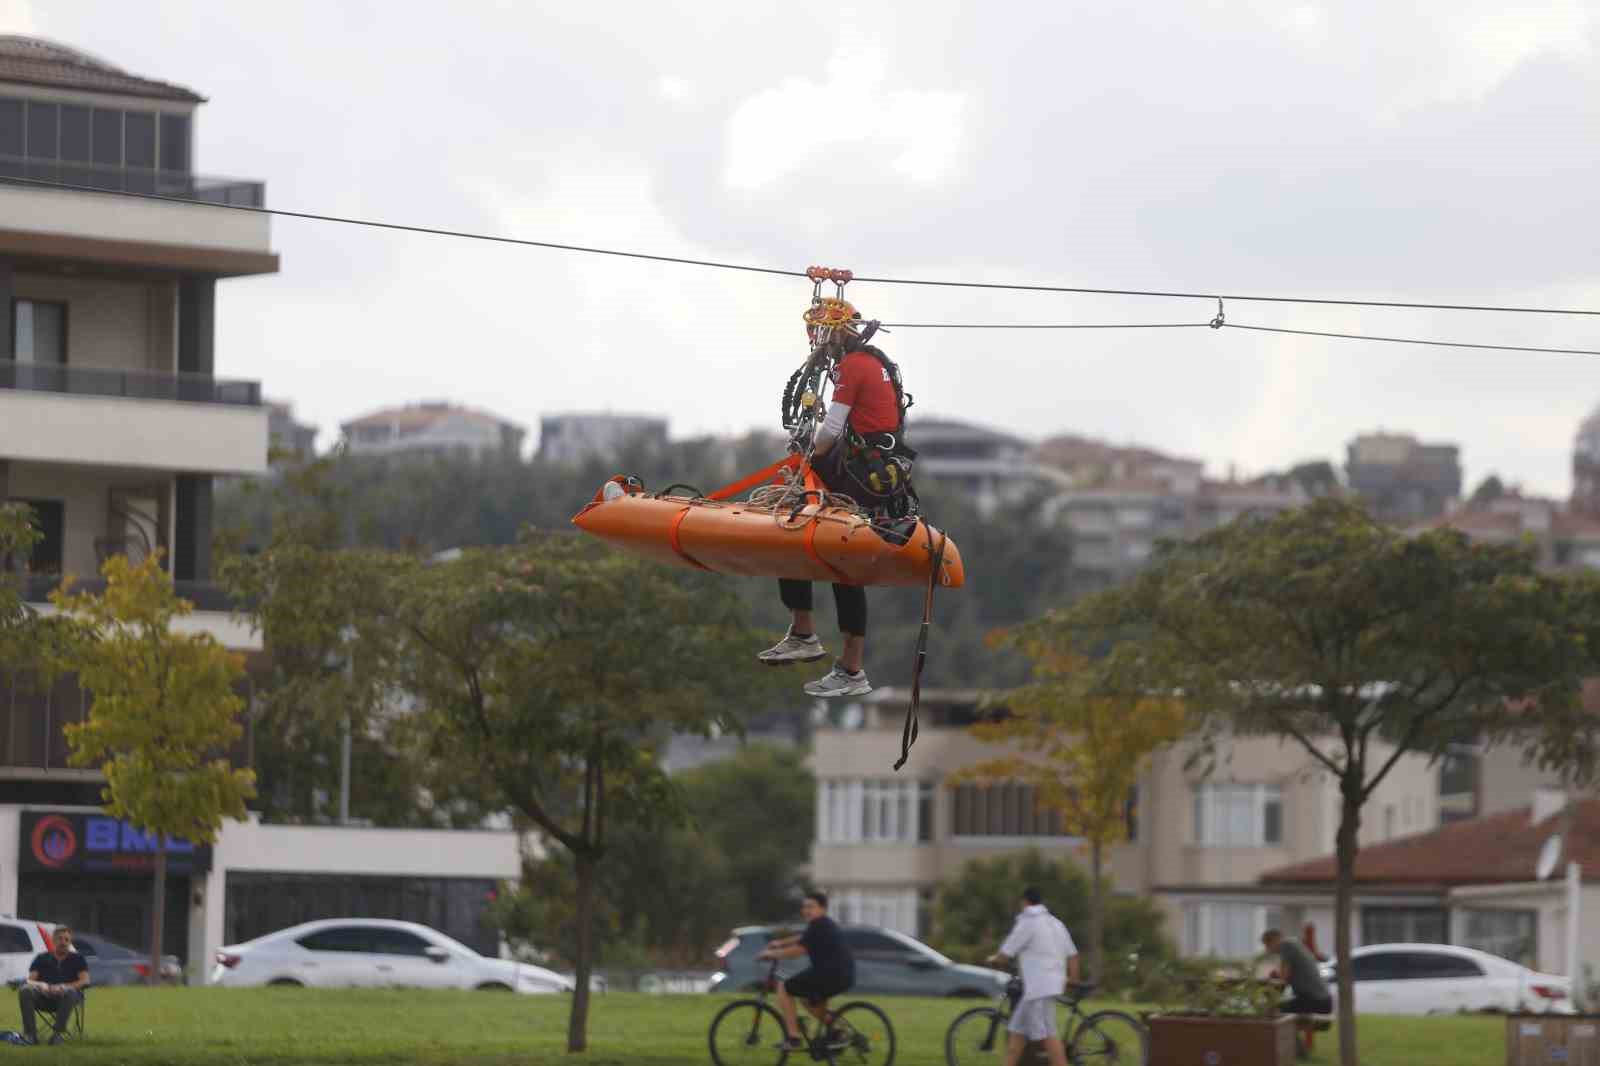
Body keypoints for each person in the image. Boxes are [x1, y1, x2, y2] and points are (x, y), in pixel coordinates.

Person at [758, 313, 912, 699]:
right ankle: (829, 652)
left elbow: (831, 429)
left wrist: (807, 455)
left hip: (861, 471)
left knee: (790, 520)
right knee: (841, 564)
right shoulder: (875, 361)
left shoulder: (851, 366)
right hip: (879, 469)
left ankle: (807, 634)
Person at [986, 887, 1080, 1066]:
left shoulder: (1028, 921)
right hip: (1042, 988)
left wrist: (993, 960)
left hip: (1039, 989)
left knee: (1047, 1035)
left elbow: (1005, 953)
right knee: (1016, 1033)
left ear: (1024, 902)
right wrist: (1073, 980)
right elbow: (1073, 955)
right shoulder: (1055, 923)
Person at [756, 890, 855, 1052]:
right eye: (804, 907)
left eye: (811, 907)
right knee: (807, 1000)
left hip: (831, 974)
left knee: (785, 986)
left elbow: (798, 950)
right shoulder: (821, 924)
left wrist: (772, 954)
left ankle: (794, 1038)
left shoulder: (819, 925)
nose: (806, 910)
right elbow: (802, 938)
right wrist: (780, 943)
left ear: (823, 909)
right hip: (839, 974)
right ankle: (837, 1033)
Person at [1261, 928, 1332, 1060]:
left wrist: (1269, 990)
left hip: (1315, 1000)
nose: (1268, 950)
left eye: (1267, 945)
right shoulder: (1293, 944)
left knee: (1273, 1012)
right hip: (1320, 999)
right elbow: (1284, 977)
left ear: (1275, 940)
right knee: (1279, 1012)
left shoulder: (1286, 946)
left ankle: (1299, 1054)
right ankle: (1299, 1053)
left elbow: (1283, 980)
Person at [19, 926, 88, 1046]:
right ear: (53, 940)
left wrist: (64, 987)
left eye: (67, 940)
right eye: (60, 939)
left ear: (70, 942)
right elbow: (30, 980)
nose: (63, 942)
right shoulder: (41, 958)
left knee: (71, 992)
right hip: (43, 997)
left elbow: (85, 981)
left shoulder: (78, 959)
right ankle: (31, 1035)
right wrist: (42, 985)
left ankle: (57, 1035)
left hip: (66, 998)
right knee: (25, 990)